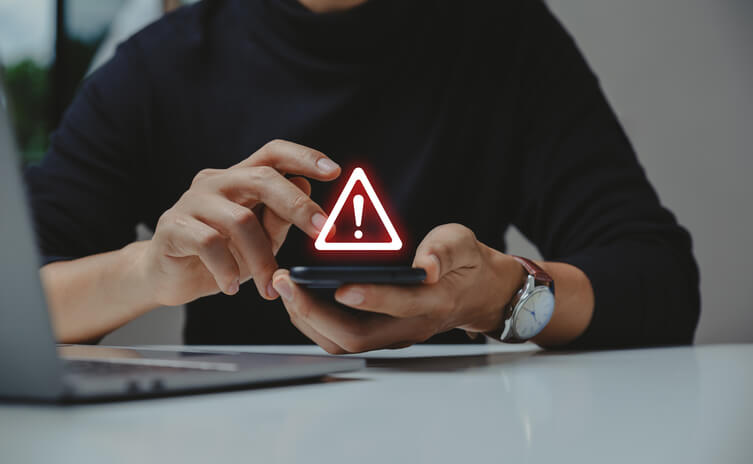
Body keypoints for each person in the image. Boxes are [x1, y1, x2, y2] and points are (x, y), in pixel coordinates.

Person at [27, 0, 700, 352]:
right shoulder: (158, 66)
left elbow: (657, 281)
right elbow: (16, 305)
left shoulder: (503, 34)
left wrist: (499, 296)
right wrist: (148, 273)